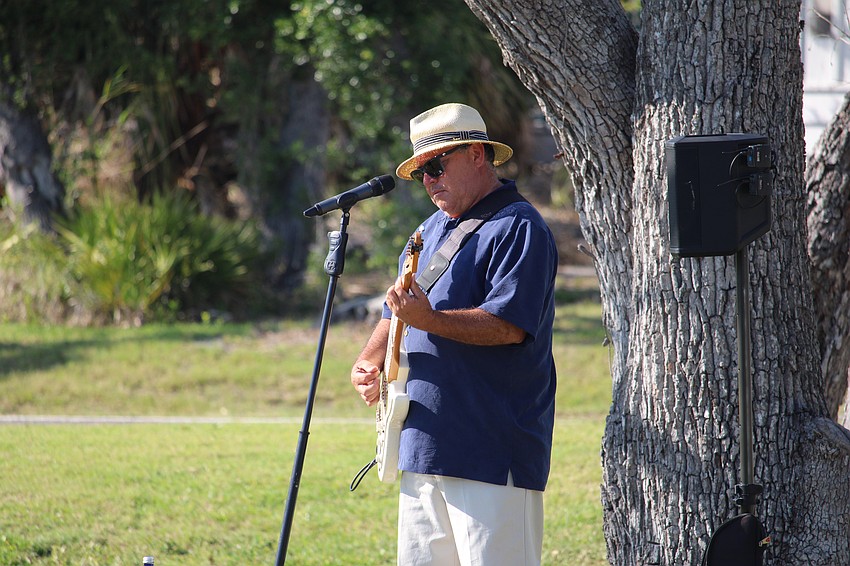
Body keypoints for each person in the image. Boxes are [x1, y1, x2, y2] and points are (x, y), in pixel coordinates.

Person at [350, 102, 558, 566]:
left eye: (438, 165)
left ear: (478, 155)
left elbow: (508, 326)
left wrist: (431, 322)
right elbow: (397, 306)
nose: (429, 180)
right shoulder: (426, 229)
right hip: (422, 447)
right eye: (422, 172)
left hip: (489, 452)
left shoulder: (520, 227)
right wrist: (369, 359)